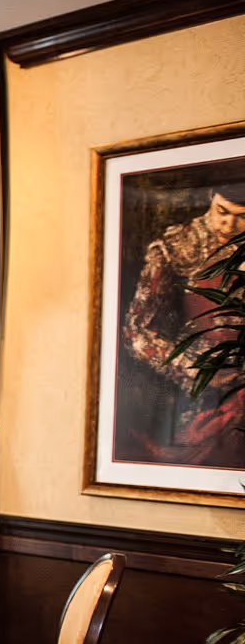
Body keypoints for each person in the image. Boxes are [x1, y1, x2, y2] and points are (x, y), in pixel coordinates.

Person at [123, 179, 245, 465]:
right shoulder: (178, 247)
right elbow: (135, 332)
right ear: (209, 200)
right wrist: (192, 370)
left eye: (241, 217)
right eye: (222, 212)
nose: (229, 226)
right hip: (189, 382)